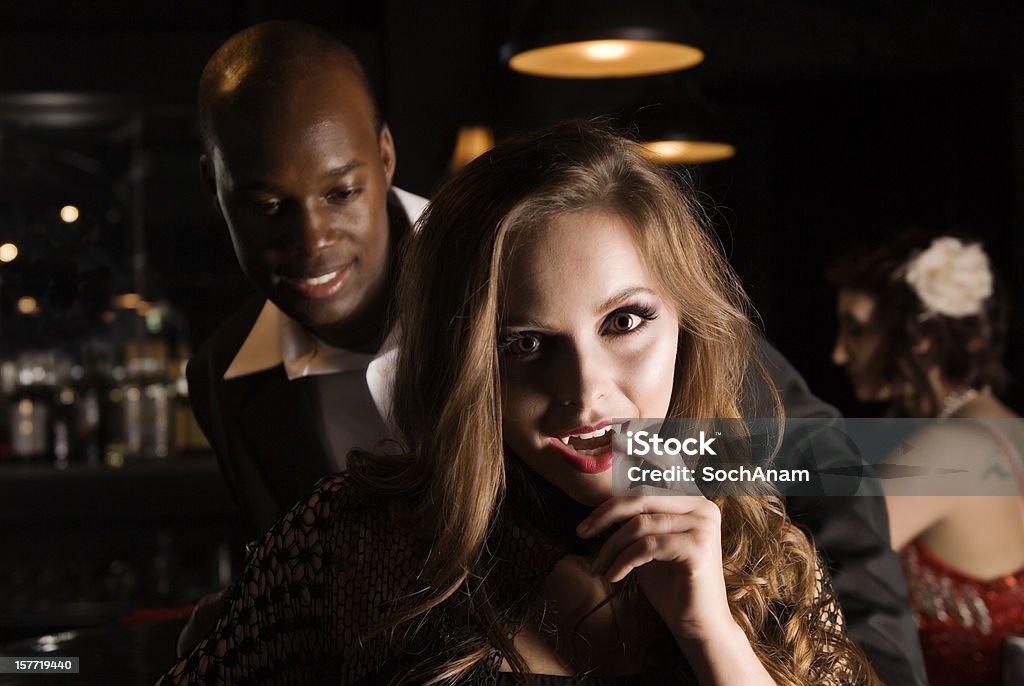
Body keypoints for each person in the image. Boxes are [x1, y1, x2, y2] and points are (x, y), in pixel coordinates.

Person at [185, 23, 925, 683]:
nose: (585, 393)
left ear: (382, 158)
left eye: (625, 322)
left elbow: (825, 464)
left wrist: (853, 664)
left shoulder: (580, 254)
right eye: (525, 343)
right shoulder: (242, 396)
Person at [187, 20, 427, 538]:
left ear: (385, 156)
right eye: (269, 206)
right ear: (214, 186)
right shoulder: (220, 379)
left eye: (340, 193)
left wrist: (651, 503)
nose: (312, 238)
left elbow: (647, 379)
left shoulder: (517, 258)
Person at [830, 233, 1024, 686]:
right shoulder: (1000, 424)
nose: (839, 353)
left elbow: (808, 567)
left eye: (856, 329)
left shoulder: (948, 449)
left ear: (918, 336)